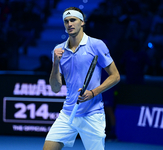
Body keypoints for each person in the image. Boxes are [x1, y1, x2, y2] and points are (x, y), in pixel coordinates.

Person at [43, 7, 120, 150]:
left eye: (73, 20)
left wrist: (93, 92)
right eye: (66, 21)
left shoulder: (96, 45)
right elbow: (55, 88)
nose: (69, 24)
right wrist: (55, 63)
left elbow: (115, 76)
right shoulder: (59, 50)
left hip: (92, 115)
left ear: (82, 22)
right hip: (68, 113)